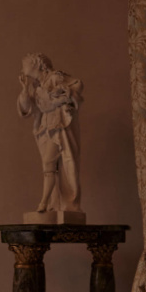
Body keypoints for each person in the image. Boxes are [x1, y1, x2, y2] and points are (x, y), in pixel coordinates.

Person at [18, 52, 84, 214]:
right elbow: (27, 107)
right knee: (49, 166)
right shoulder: (36, 86)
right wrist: (25, 88)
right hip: (46, 129)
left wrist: (64, 96)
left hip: (59, 127)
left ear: (36, 64)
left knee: (51, 164)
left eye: (25, 65)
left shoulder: (55, 78)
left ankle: (47, 203)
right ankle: (51, 205)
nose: (22, 68)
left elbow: (77, 85)